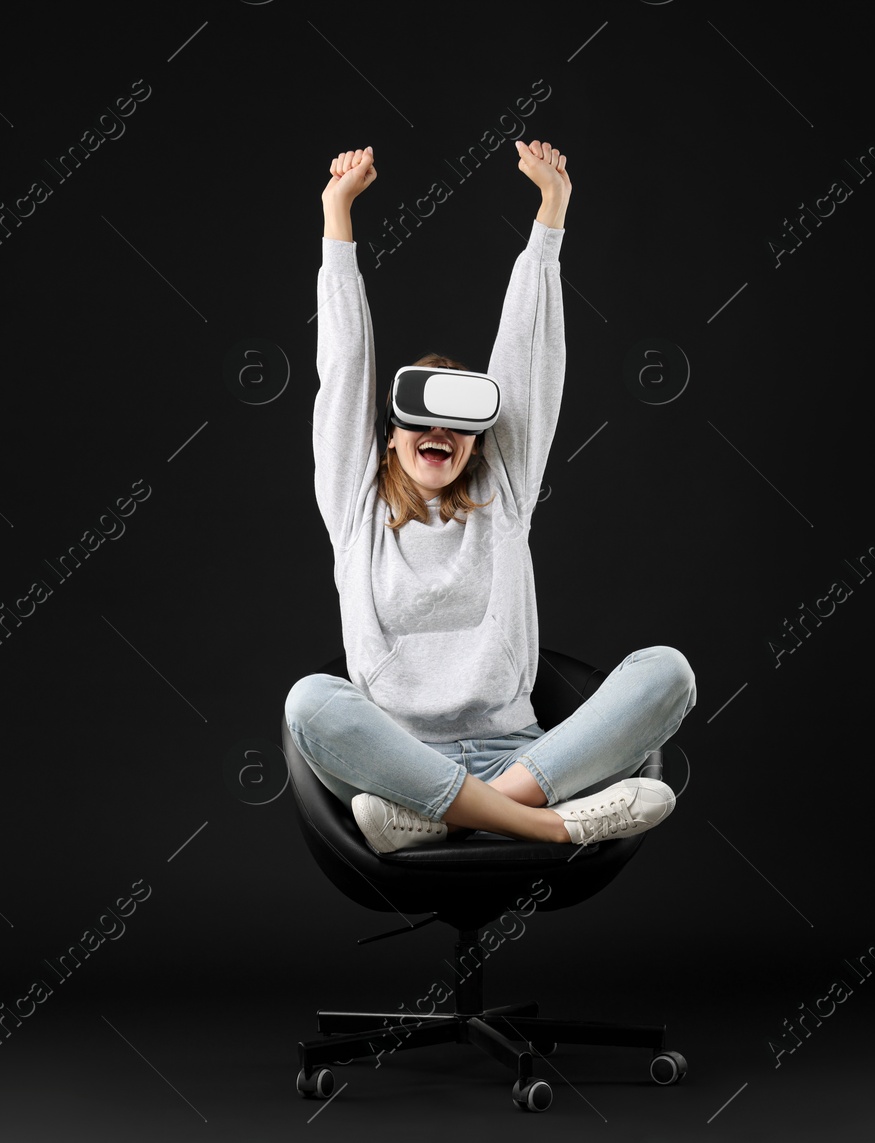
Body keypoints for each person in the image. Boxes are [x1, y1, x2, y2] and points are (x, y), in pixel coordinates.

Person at [286, 140, 698, 855]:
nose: (440, 432)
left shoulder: (503, 495)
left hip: (522, 759)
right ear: (386, 436)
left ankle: (456, 818)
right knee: (309, 703)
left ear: (481, 442)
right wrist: (336, 213)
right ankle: (547, 824)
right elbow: (346, 363)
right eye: (420, 417)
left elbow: (528, 356)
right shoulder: (355, 509)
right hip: (401, 764)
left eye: (461, 424)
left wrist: (551, 216)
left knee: (669, 674)